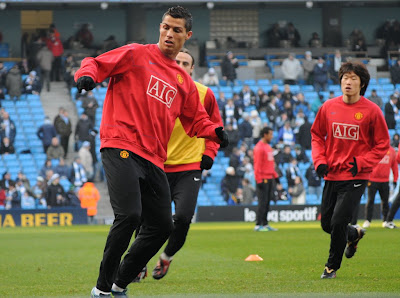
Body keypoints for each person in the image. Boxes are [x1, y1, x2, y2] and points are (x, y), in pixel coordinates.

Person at [74, 6, 228, 297]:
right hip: (120, 145)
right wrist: (87, 76)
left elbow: (196, 120)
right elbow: (95, 63)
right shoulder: (135, 53)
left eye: (177, 30)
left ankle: (120, 283)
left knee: (160, 226)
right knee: (130, 216)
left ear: (187, 35)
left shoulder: (183, 81)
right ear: (160, 27)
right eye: (166, 27)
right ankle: (102, 289)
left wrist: (215, 133)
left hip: (154, 158)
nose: (170, 34)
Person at [311, 62, 390, 279]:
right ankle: (354, 234)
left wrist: (362, 162)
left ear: (362, 83)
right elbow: (317, 135)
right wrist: (319, 161)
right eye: (345, 77)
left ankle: (330, 267)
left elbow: (383, 144)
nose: (348, 81)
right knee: (327, 224)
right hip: (331, 174)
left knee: (337, 222)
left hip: (356, 175)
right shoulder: (328, 107)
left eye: (354, 78)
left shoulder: (372, 111)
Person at [150, 48, 223, 280]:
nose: (180, 66)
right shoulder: (156, 90)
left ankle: (166, 258)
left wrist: (209, 153)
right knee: (147, 221)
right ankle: (138, 260)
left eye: (185, 63)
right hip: (158, 166)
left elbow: (216, 127)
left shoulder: (204, 94)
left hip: (189, 167)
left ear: (192, 69)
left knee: (182, 219)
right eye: (176, 61)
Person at [362, 146, 398, 229]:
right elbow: (367, 162)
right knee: (370, 200)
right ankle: (367, 220)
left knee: (385, 201)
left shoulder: (391, 151)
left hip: (385, 180)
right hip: (372, 179)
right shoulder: (374, 148)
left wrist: (395, 179)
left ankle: (385, 221)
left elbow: (394, 165)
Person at [253, 126, 280, 232]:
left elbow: (270, 164)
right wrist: (258, 179)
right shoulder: (259, 148)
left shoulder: (268, 147)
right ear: (265, 135)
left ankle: (265, 224)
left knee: (267, 202)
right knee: (262, 202)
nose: (272, 136)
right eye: (270, 134)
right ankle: (258, 224)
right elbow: (257, 165)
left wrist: (276, 176)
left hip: (269, 178)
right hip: (262, 179)